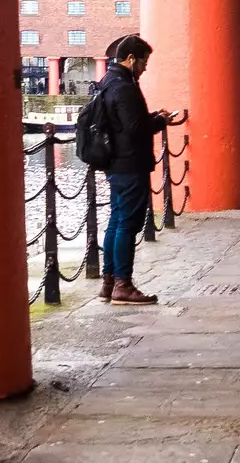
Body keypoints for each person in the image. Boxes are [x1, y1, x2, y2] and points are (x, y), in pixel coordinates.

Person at [87, 35, 177, 305]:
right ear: (130, 59)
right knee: (127, 223)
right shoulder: (125, 87)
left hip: (115, 162)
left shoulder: (108, 82)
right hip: (129, 163)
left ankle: (109, 282)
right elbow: (134, 128)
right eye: (144, 61)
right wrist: (160, 120)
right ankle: (123, 284)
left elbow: (123, 122)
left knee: (116, 221)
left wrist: (151, 118)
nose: (145, 67)